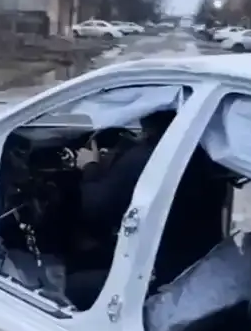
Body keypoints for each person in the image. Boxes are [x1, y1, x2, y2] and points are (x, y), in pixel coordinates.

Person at [65, 110, 175, 310]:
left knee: (73, 285)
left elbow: (96, 208)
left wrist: (90, 167)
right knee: (88, 255)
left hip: (155, 275)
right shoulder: (186, 151)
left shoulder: (144, 157)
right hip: (175, 257)